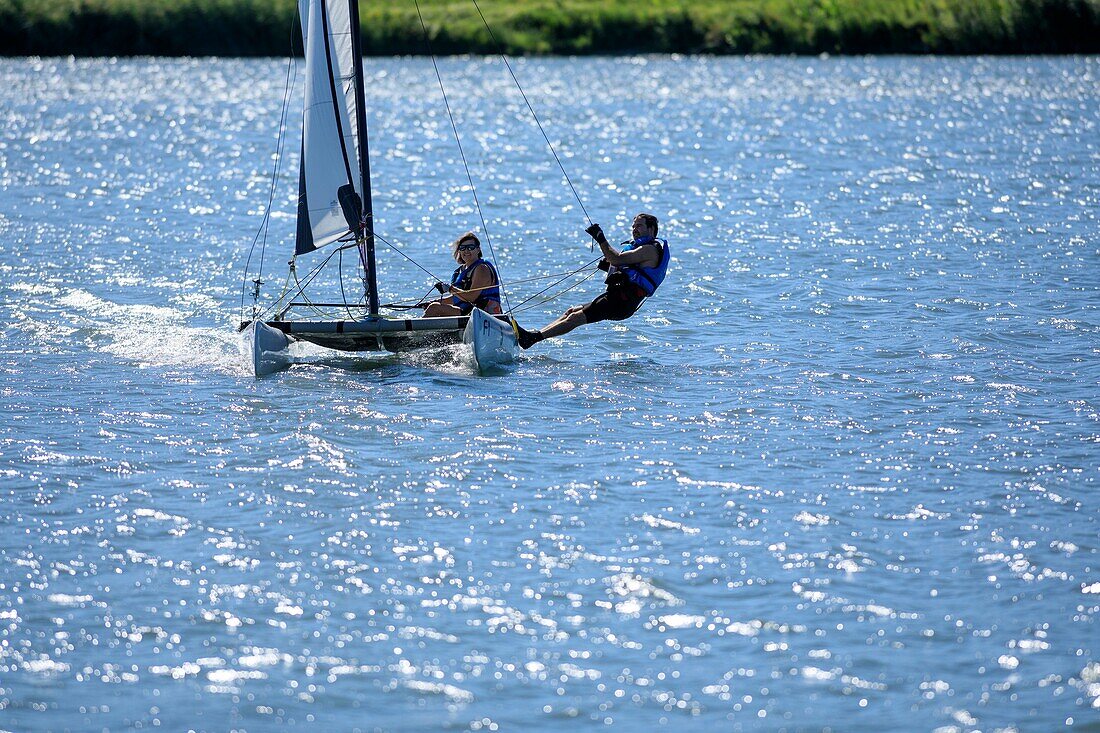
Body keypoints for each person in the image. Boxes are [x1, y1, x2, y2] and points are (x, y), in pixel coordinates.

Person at [513, 213, 669, 349]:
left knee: (575, 318)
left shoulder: (649, 249)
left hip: (623, 302)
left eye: (639, 226)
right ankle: (533, 336)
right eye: (633, 226)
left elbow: (616, 258)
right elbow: (626, 269)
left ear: (651, 229)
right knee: (572, 312)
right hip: (617, 298)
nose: (635, 229)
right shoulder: (640, 249)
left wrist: (600, 237)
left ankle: (531, 339)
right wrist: (608, 266)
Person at [423, 231, 502, 317]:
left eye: (471, 247)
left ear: (478, 250)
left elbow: (471, 297)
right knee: (433, 306)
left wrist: (450, 289)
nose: (466, 251)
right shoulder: (459, 271)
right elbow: (457, 298)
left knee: (434, 308)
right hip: (467, 312)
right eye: (463, 248)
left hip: (484, 315)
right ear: (459, 251)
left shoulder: (482, 268)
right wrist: (435, 301)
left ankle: (417, 329)